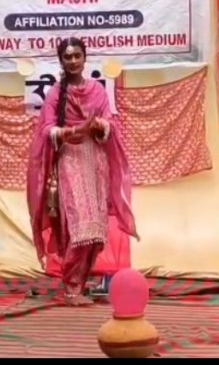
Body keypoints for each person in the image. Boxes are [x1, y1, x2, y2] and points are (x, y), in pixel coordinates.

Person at [26, 36, 139, 306]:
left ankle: (80, 280)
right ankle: (71, 288)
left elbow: (109, 122)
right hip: (69, 160)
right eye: (68, 56)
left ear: (85, 58)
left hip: (95, 161)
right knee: (78, 227)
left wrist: (99, 126)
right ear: (61, 60)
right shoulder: (56, 93)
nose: (73, 60)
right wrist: (73, 131)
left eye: (77, 55)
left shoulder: (96, 90)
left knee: (96, 230)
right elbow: (46, 129)